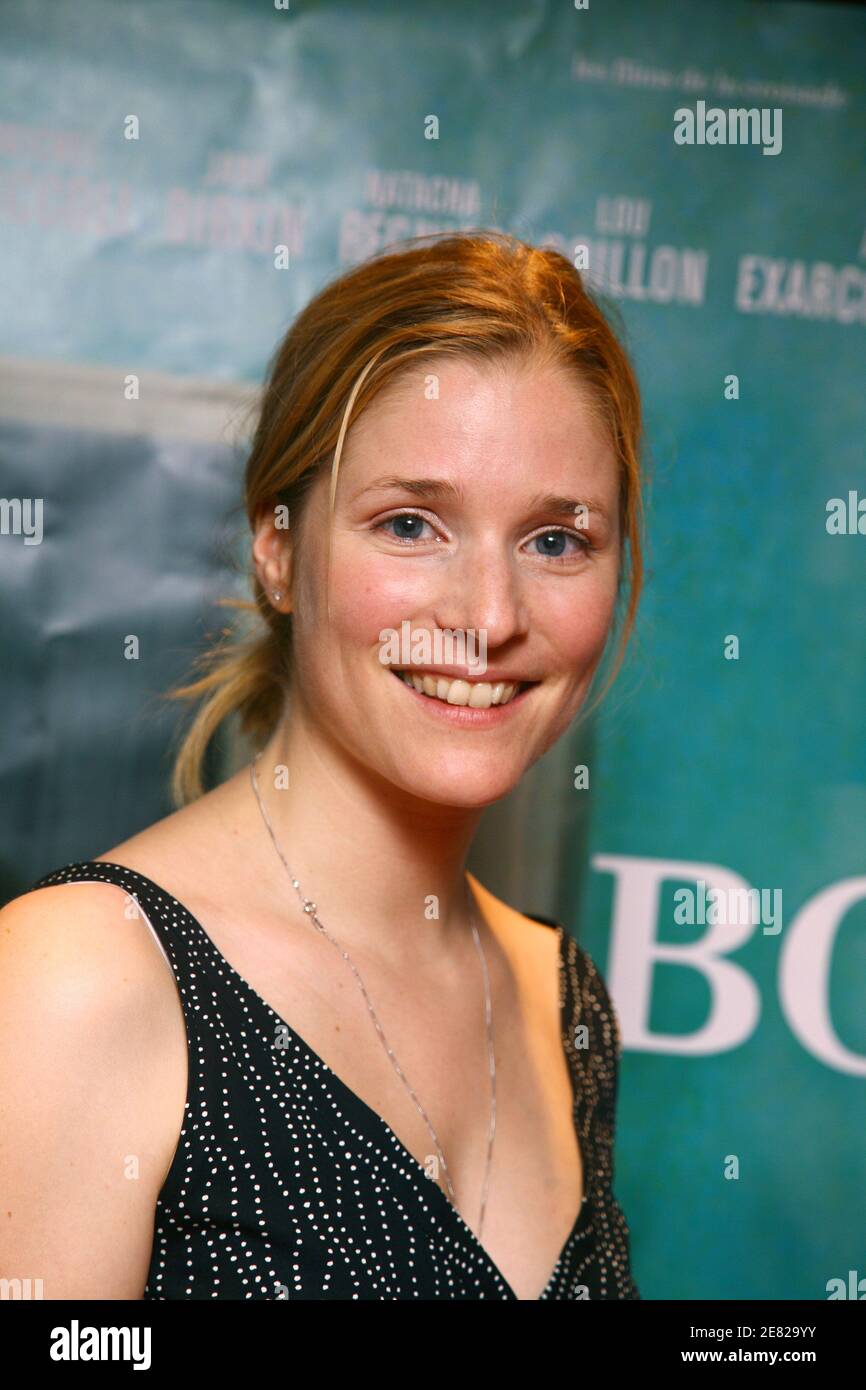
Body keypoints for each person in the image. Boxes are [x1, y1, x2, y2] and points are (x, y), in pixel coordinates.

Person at [1, 230, 643, 1301]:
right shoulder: (77, 981)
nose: (487, 617)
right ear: (278, 549)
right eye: (409, 523)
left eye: (554, 541)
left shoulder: (563, 1000)